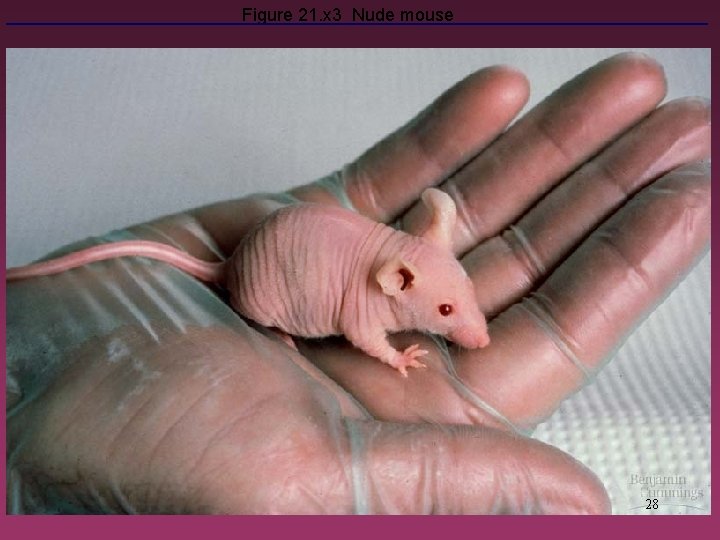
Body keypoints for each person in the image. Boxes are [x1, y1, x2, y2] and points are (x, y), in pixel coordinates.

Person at [6, 52, 710, 514]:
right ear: (395, 280)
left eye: (456, 305)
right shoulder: (381, 295)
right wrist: (395, 358)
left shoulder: (411, 262)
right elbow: (360, 328)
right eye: (445, 309)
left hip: (294, 247)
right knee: (266, 297)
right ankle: (269, 319)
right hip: (259, 291)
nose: (465, 326)